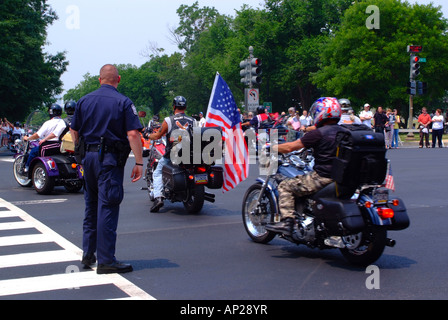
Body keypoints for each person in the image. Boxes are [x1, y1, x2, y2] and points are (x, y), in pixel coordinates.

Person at [70, 64, 143, 274]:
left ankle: (88, 254)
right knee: (108, 206)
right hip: (108, 160)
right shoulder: (123, 102)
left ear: (99, 79)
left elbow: (74, 129)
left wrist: (80, 152)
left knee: (91, 206)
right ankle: (106, 260)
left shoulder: (84, 100)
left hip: (88, 158)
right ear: (118, 79)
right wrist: (138, 162)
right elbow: (133, 134)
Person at [265, 97, 346, 236]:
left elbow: (291, 146)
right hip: (343, 177)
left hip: (323, 177)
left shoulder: (318, 134)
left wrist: (273, 147)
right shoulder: (345, 131)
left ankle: (287, 222)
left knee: (285, 186)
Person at [147, 96, 195, 213]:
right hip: (190, 155)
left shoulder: (169, 120)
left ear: (174, 106)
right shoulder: (193, 121)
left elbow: (158, 135)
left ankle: (158, 198)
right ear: (185, 107)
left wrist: (147, 135)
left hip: (172, 155)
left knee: (157, 172)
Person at [23, 104, 67, 172]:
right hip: (62, 146)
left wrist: (28, 138)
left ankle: (27, 168)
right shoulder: (64, 122)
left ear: (50, 112)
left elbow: (38, 135)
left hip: (49, 146)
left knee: (33, 151)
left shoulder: (48, 123)